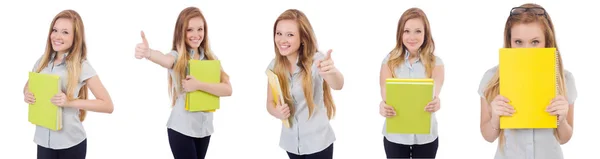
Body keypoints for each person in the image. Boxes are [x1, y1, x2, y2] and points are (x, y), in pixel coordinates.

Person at [478, 3, 577, 159]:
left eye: (535, 42)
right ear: (509, 43)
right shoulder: (491, 78)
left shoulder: (565, 79)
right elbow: (487, 136)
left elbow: (565, 138)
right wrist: (495, 120)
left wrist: (562, 120)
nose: (527, 50)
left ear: (547, 42)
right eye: (518, 42)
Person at [134, 6, 232, 159]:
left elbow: (228, 90)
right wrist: (149, 53)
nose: (196, 35)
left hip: (204, 129)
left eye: (200, 29)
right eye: (189, 30)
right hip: (181, 129)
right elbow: (164, 60)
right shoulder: (177, 56)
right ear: (181, 32)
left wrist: (199, 85)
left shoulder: (210, 59)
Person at [23, 9, 115, 159]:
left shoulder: (81, 65)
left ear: (75, 37)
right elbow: (28, 85)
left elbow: (107, 105)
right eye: (55, 30)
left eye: (65, 32)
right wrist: (27, 94)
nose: (57, 36)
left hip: (71, 143)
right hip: (43, 141)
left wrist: (69, 102)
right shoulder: (42, 61)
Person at [265, 9, 344, 159]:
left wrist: (331, 71)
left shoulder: (316, 61)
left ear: (302, 38)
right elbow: (269, 102)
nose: (282, 40)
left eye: (290, 34)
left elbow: (338, 84)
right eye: (278, 33)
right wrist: (277, 112)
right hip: (291, 143)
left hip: (318, 142)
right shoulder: (274, 66)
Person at [378, 7, 445, 159]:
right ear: (400, 33)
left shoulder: (436, 63)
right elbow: (385, 92)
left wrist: (436, 102)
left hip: (426, 137)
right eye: (406, 31)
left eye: (418, 31)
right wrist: (383, 106)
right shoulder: (388, 61)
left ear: (425, 33)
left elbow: (435, 91)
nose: (412, 37)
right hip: (395, 136)